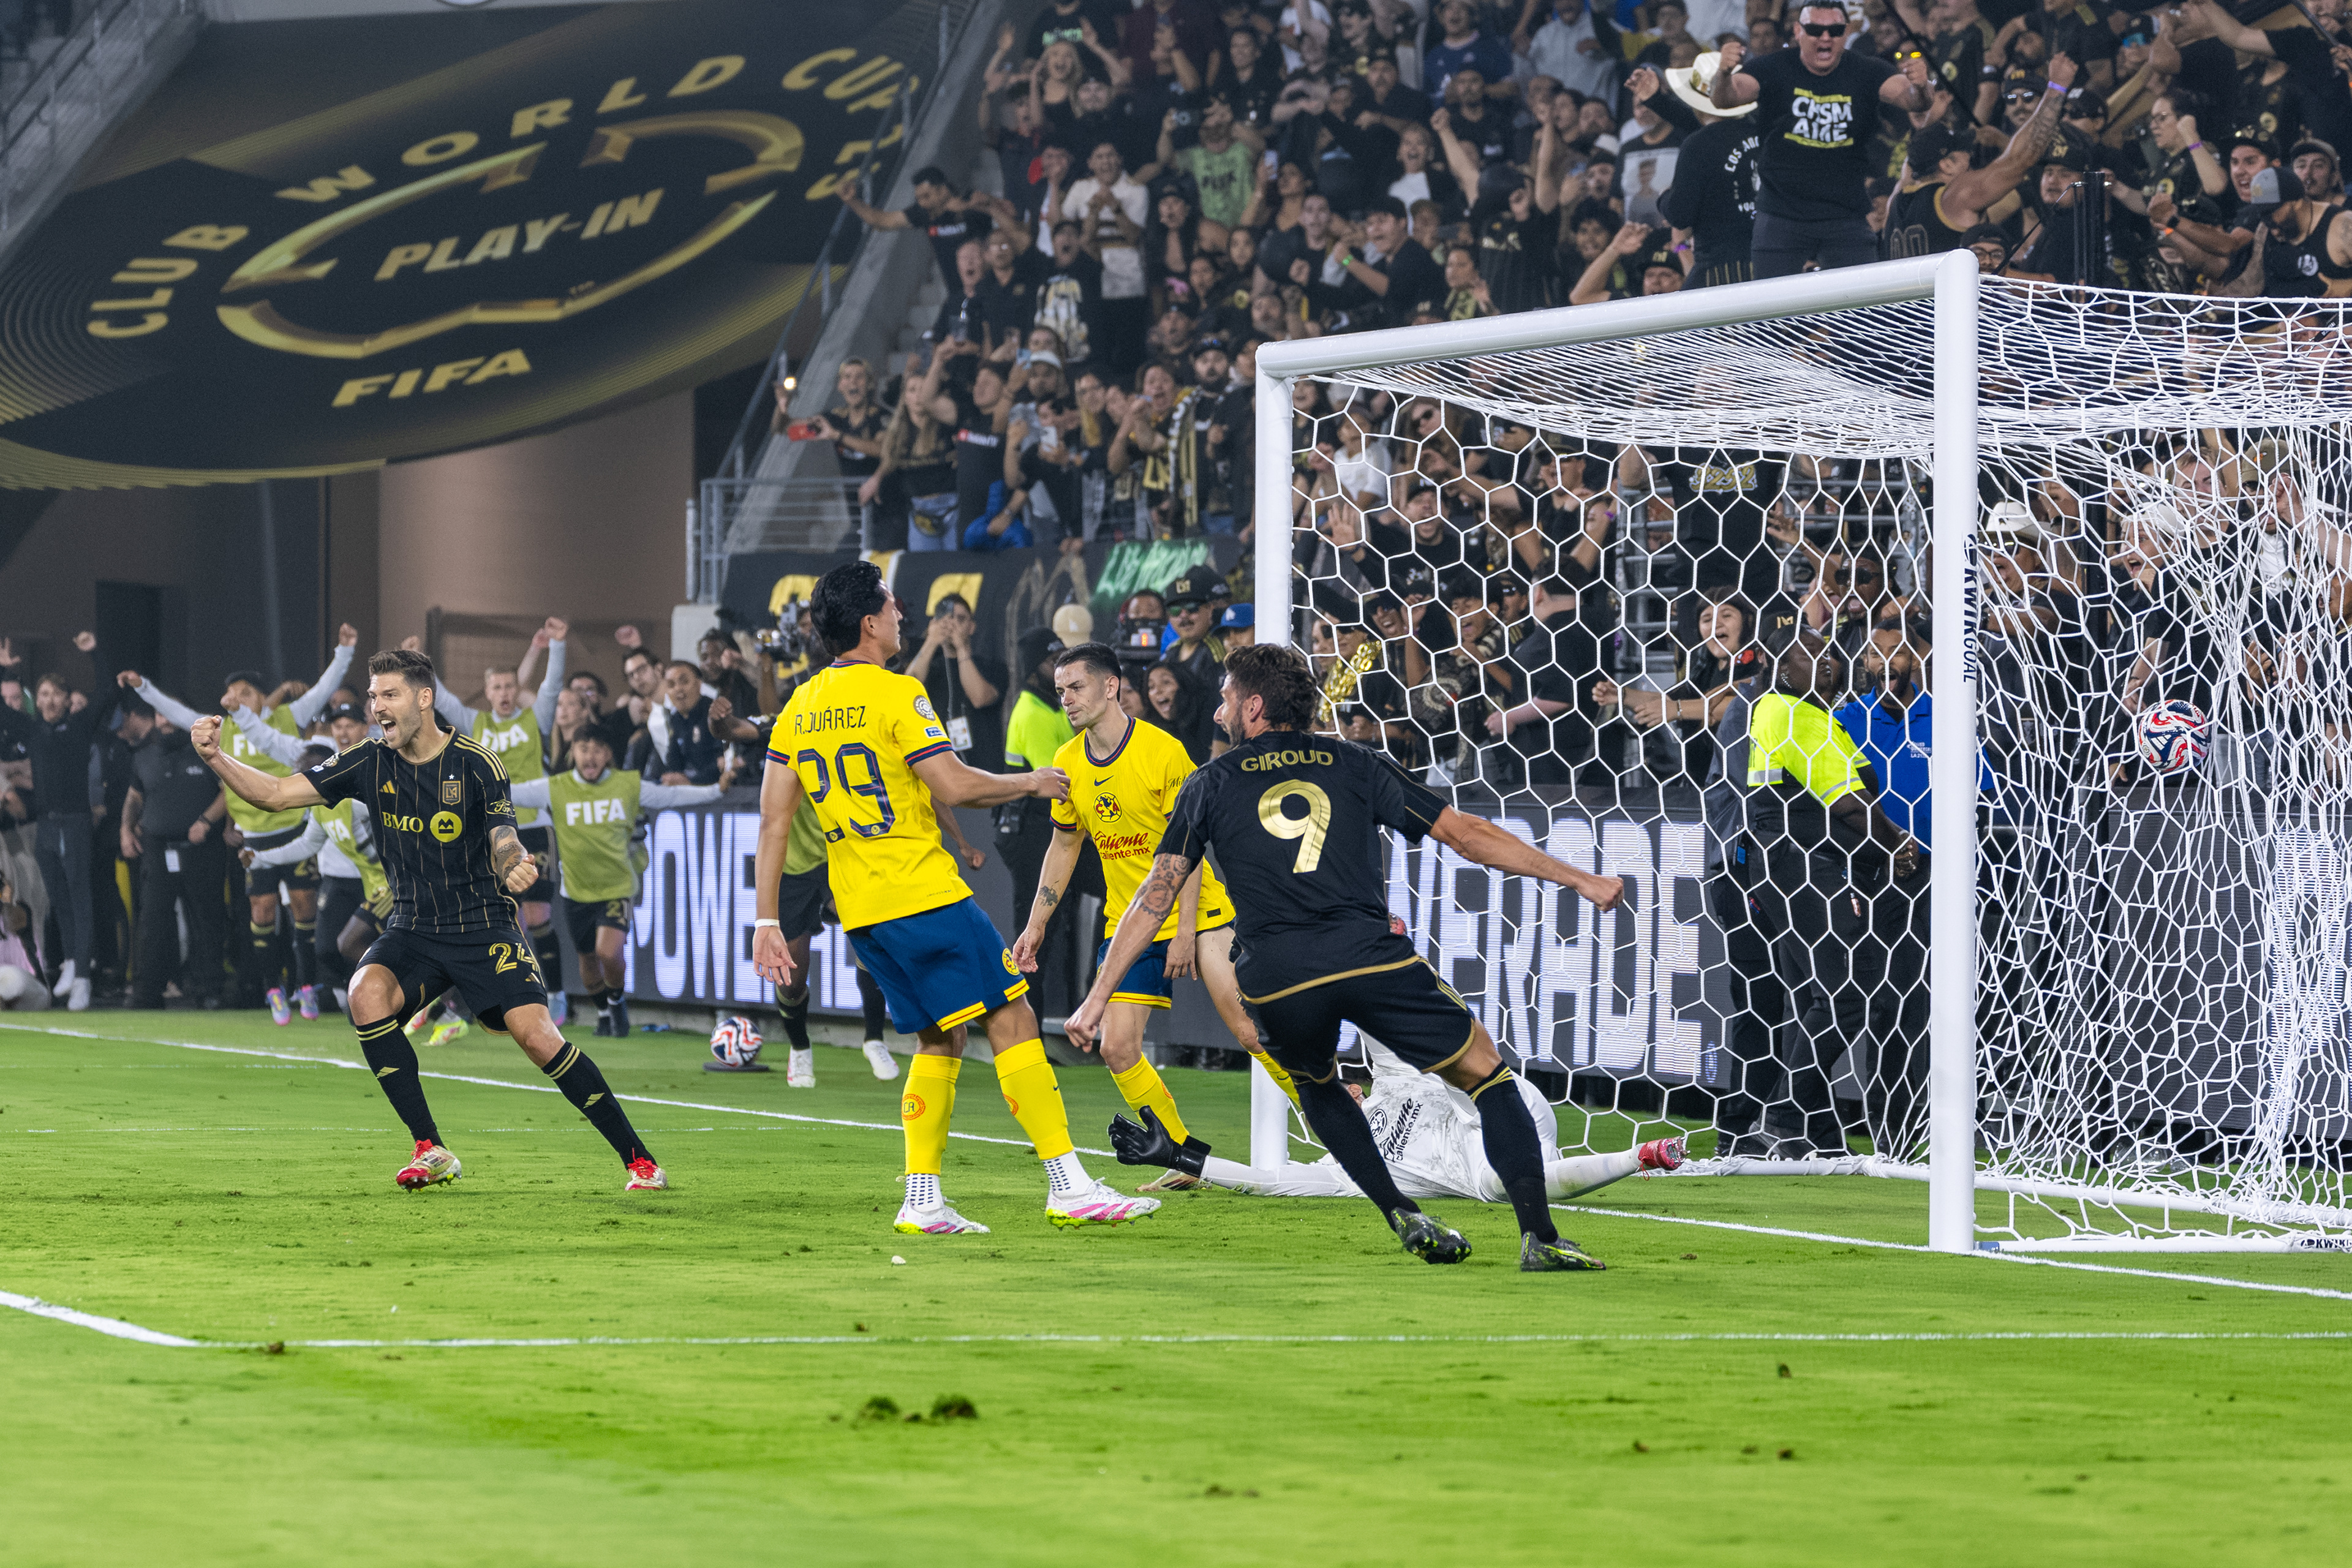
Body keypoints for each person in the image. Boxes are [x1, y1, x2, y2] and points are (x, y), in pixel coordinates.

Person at [1077, 644, 1629, 1272]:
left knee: (1318, 1085)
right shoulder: (1358, 762)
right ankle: (1540, 1237)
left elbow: (1155, 897)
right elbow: (1466, 836)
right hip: (1367, 957)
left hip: (1276, 976)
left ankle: (1402, 1210)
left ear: (1254, 706)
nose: (1221, 707)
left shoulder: (1210, 782)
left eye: (1229, 696)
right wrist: (1577, 878)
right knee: (1486, 1074)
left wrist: (1098, 997)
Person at [750, 560, 1154, 1235]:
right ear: (870, 623)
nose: (903, 615)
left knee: (940, 1037)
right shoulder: (897, 694)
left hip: (862, 908)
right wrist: (1031, 784)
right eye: (893, 605)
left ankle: (923, 1197)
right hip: (921, 891)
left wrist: (767, 917)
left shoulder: (799, 705)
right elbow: (955, 784)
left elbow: (774, 822)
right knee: (1014, 1018)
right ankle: (1068, 1183)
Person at [190, 648, 667, 1194]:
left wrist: (515, 865)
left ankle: (639, 1159)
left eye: (388, 695)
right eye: (373, 697)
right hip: (413, 929)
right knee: (365, 994)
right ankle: (430, 1148)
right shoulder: (368, 760)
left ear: (424, 698)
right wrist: (216, 759)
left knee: (538, 1040)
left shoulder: (477, 764)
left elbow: (504, 836)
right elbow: (275, 794)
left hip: (482, 929)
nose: (376, 708)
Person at [1013, 643, 1299, 1172]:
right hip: (1129, 920)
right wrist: (1036, 925)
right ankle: (1183, 1159)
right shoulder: (1067, 761)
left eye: (1076, 688)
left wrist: (1185, 930)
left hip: (1202, 911)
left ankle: (1343, 1131)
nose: (1067, 700)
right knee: (1117, 1048)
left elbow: (1190, 847)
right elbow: (1064, 846)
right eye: (1060, 692)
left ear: (1111, 686)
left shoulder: (1163, 752)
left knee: (1249, 1029)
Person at [1711, 633, 1921, 1158]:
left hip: (1801, 865)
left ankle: (1817, 1137)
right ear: (1782, 670)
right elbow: (1848, 805)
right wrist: (1895, 843)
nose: (1828, 663)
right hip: (1798, 866)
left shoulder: (1820, 718)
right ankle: (1784, 1111)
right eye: (1812, 657)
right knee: (1852, 988)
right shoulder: (1788, 714)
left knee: (1813, 999)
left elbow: (1854, 799)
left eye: (1832, 655)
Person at [125, 627, 358, 1022]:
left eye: (245, 693)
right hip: (255, 839)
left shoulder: (288, 716)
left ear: (260, 698)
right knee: (262, 912)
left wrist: (344, 653)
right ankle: (272, 990)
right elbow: (179, 714)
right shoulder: (222, 728)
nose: (237, 700)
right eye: (232, 694)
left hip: (297, 829)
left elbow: (323, 689)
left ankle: (305, 987)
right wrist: (144, 687)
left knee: (303, 909)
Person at [1194, 1033, 1684, 1200]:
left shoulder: (1389, 1078)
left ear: (1353, 1087)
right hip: (1480, 1170)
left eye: (1339, 1089)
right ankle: (1640, 1157)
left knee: (1444, 1066)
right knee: (1503, 1188)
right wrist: (1189, 1161)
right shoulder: (1344, 1168)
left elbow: (1367, 1005)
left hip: (1497, 1103)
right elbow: (1270, 1181)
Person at [507, 726, 723, 1046]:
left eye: (597, 748)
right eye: (583, 748)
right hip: (577, 892)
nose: (590, 755)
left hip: (617, 887)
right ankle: (604, 1012)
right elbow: (513, 791)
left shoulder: (628, 785)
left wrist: (717, 790)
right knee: (588, 962)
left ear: (608, 755)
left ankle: (617, 1000)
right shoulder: (556, 787)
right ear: (573, 754)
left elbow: (671, 796)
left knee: (608, 952)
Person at [1712, 6, 1936, 276]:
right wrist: (1723, 74)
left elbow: (1913, 100)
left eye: (1836, 30)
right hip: (1781, 213)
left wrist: (1922, 86)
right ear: (1798, 32)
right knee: (1770, 311)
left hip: (1845, 215)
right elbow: (1725, 99)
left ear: (1847, 33)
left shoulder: (1866, 69)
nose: (1825, 37)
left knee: (1862, 310)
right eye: (1815, 30)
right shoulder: (1772, 67)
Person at [431, 617, 570, 1018]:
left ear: (516, 690)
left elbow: (552, 687)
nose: (504, 693)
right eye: (497, 687)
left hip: (534, 827)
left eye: (510, 686)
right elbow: (442, 699)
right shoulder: (476, 723)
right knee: (498, 920)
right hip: (492, 834)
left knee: (537, 915)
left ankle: (557, 994)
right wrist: (418, 666)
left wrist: (557, 647)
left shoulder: (535, 719)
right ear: (488, 692)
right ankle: (503, 998)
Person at [0, 631, 121, 1011]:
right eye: (46, 695)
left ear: (68, 701)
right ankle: (72, 960)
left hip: (75, 823)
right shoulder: (32, 728)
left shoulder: (81, 726)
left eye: (58, 695)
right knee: (58, 898)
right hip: (46, 825)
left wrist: (95, 652)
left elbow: (108, 694)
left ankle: (83, 976)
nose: (52, 701)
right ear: (39, 702)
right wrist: (6, 674)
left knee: (80, 896)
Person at [239, 716, 387, 1014]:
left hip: (394, 886)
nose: (297, 784)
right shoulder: (320, 810)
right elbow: (306, 845)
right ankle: (370, 994)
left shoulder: (356, 803)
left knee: (353, 944)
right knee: (328, 949)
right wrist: (261, 858)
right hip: (374, 887)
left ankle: (399, 998)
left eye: (302, 777)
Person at [1885, 56, 2078, 258]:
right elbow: (2020, 160)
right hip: (1949, 290)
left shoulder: (1896, 201)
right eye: (1963, 154)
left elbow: (1913, 161)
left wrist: (1927, 125)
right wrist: (2056, 87)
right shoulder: (1956, 197)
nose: (1970, 159)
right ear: (1947, 165)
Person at [118, 704, 227, 1011]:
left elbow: (228, 791)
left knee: (206, 919)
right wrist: (126, 829)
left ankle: (211, 990)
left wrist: (206, 821)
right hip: (156, 847)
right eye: (159, 715)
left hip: (201, 847)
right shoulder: (144, 756)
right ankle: (147, 992)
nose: (164, 722)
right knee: (152, 920)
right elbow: (135, 796)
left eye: (170, 715)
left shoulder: (208, 753)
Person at [903, 594, 1007, 771]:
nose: (952, 625)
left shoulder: (992, 666)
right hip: (943, 773)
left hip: (985, 771)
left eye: (960, 619)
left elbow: (980, 698)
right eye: (945, 619)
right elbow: (906, 690)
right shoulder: (930, 669)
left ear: (972, 627)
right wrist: (931, 640)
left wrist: (960, 648)